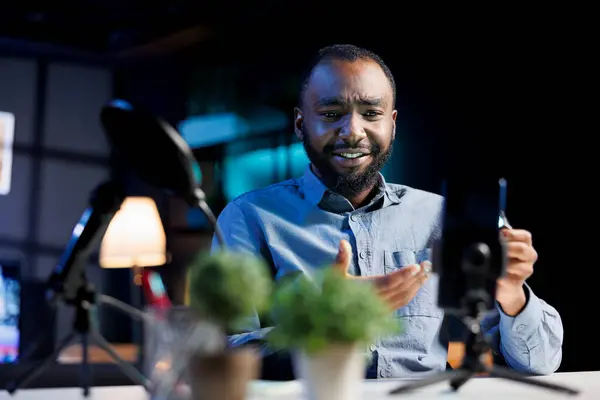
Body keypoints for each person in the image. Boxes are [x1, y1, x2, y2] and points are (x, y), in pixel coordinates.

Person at [211, 44, 563, 379]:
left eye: (371, 113)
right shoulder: (249, 218)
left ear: (391, 123)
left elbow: (541, 362)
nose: (352, 131)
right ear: (301, 124)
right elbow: (219, 358)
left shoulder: (441, 217)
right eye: (331, 114)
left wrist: (512, 293)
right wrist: (327, 322)